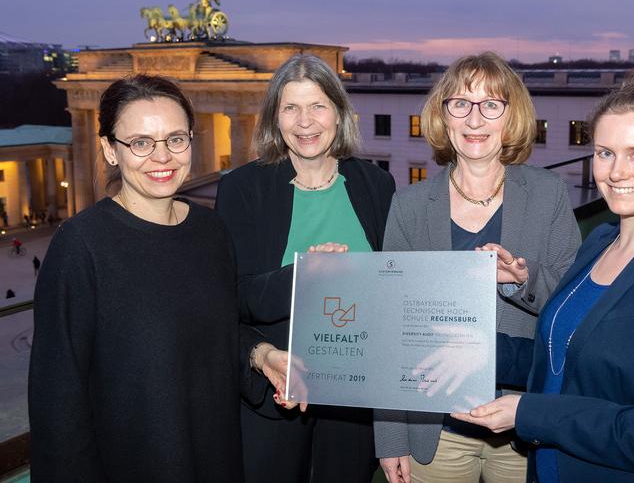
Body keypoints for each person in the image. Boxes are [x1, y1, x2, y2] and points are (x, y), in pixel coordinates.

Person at [452, 75, 634, 481]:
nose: (616, 172)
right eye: (605, 153)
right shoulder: (599, 241)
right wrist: (480, 352)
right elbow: (568, 359)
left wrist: (531, 413)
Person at [374, 52, 581, 483]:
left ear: (510, 117)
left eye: (491, 105)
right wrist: (391, 436)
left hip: (522, 424)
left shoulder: (549, 194)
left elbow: (574, 306)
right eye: (460, 103)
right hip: (436, 427)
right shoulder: (409, 207)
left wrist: (523, 280)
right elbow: (388, 325)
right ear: (443, 116)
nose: (474, 119)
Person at [29, 74, 243, 481]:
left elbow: (220, 345)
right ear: (111, 150)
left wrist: (260, 355)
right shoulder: (81, 247)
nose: (162, 157)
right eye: (141, 143)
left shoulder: (212, 232)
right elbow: (57, 406)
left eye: (176, 139)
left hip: (216, 459)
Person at [216, 54, 395, 482]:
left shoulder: (377, 185)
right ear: (274, 118)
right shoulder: (242, 189)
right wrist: (303, 276)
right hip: (274, 393)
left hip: (354, 397)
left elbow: (393, 285)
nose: (305, 121)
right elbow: (227, 298)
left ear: (339, 112)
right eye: (290, 108)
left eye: (317, 106)